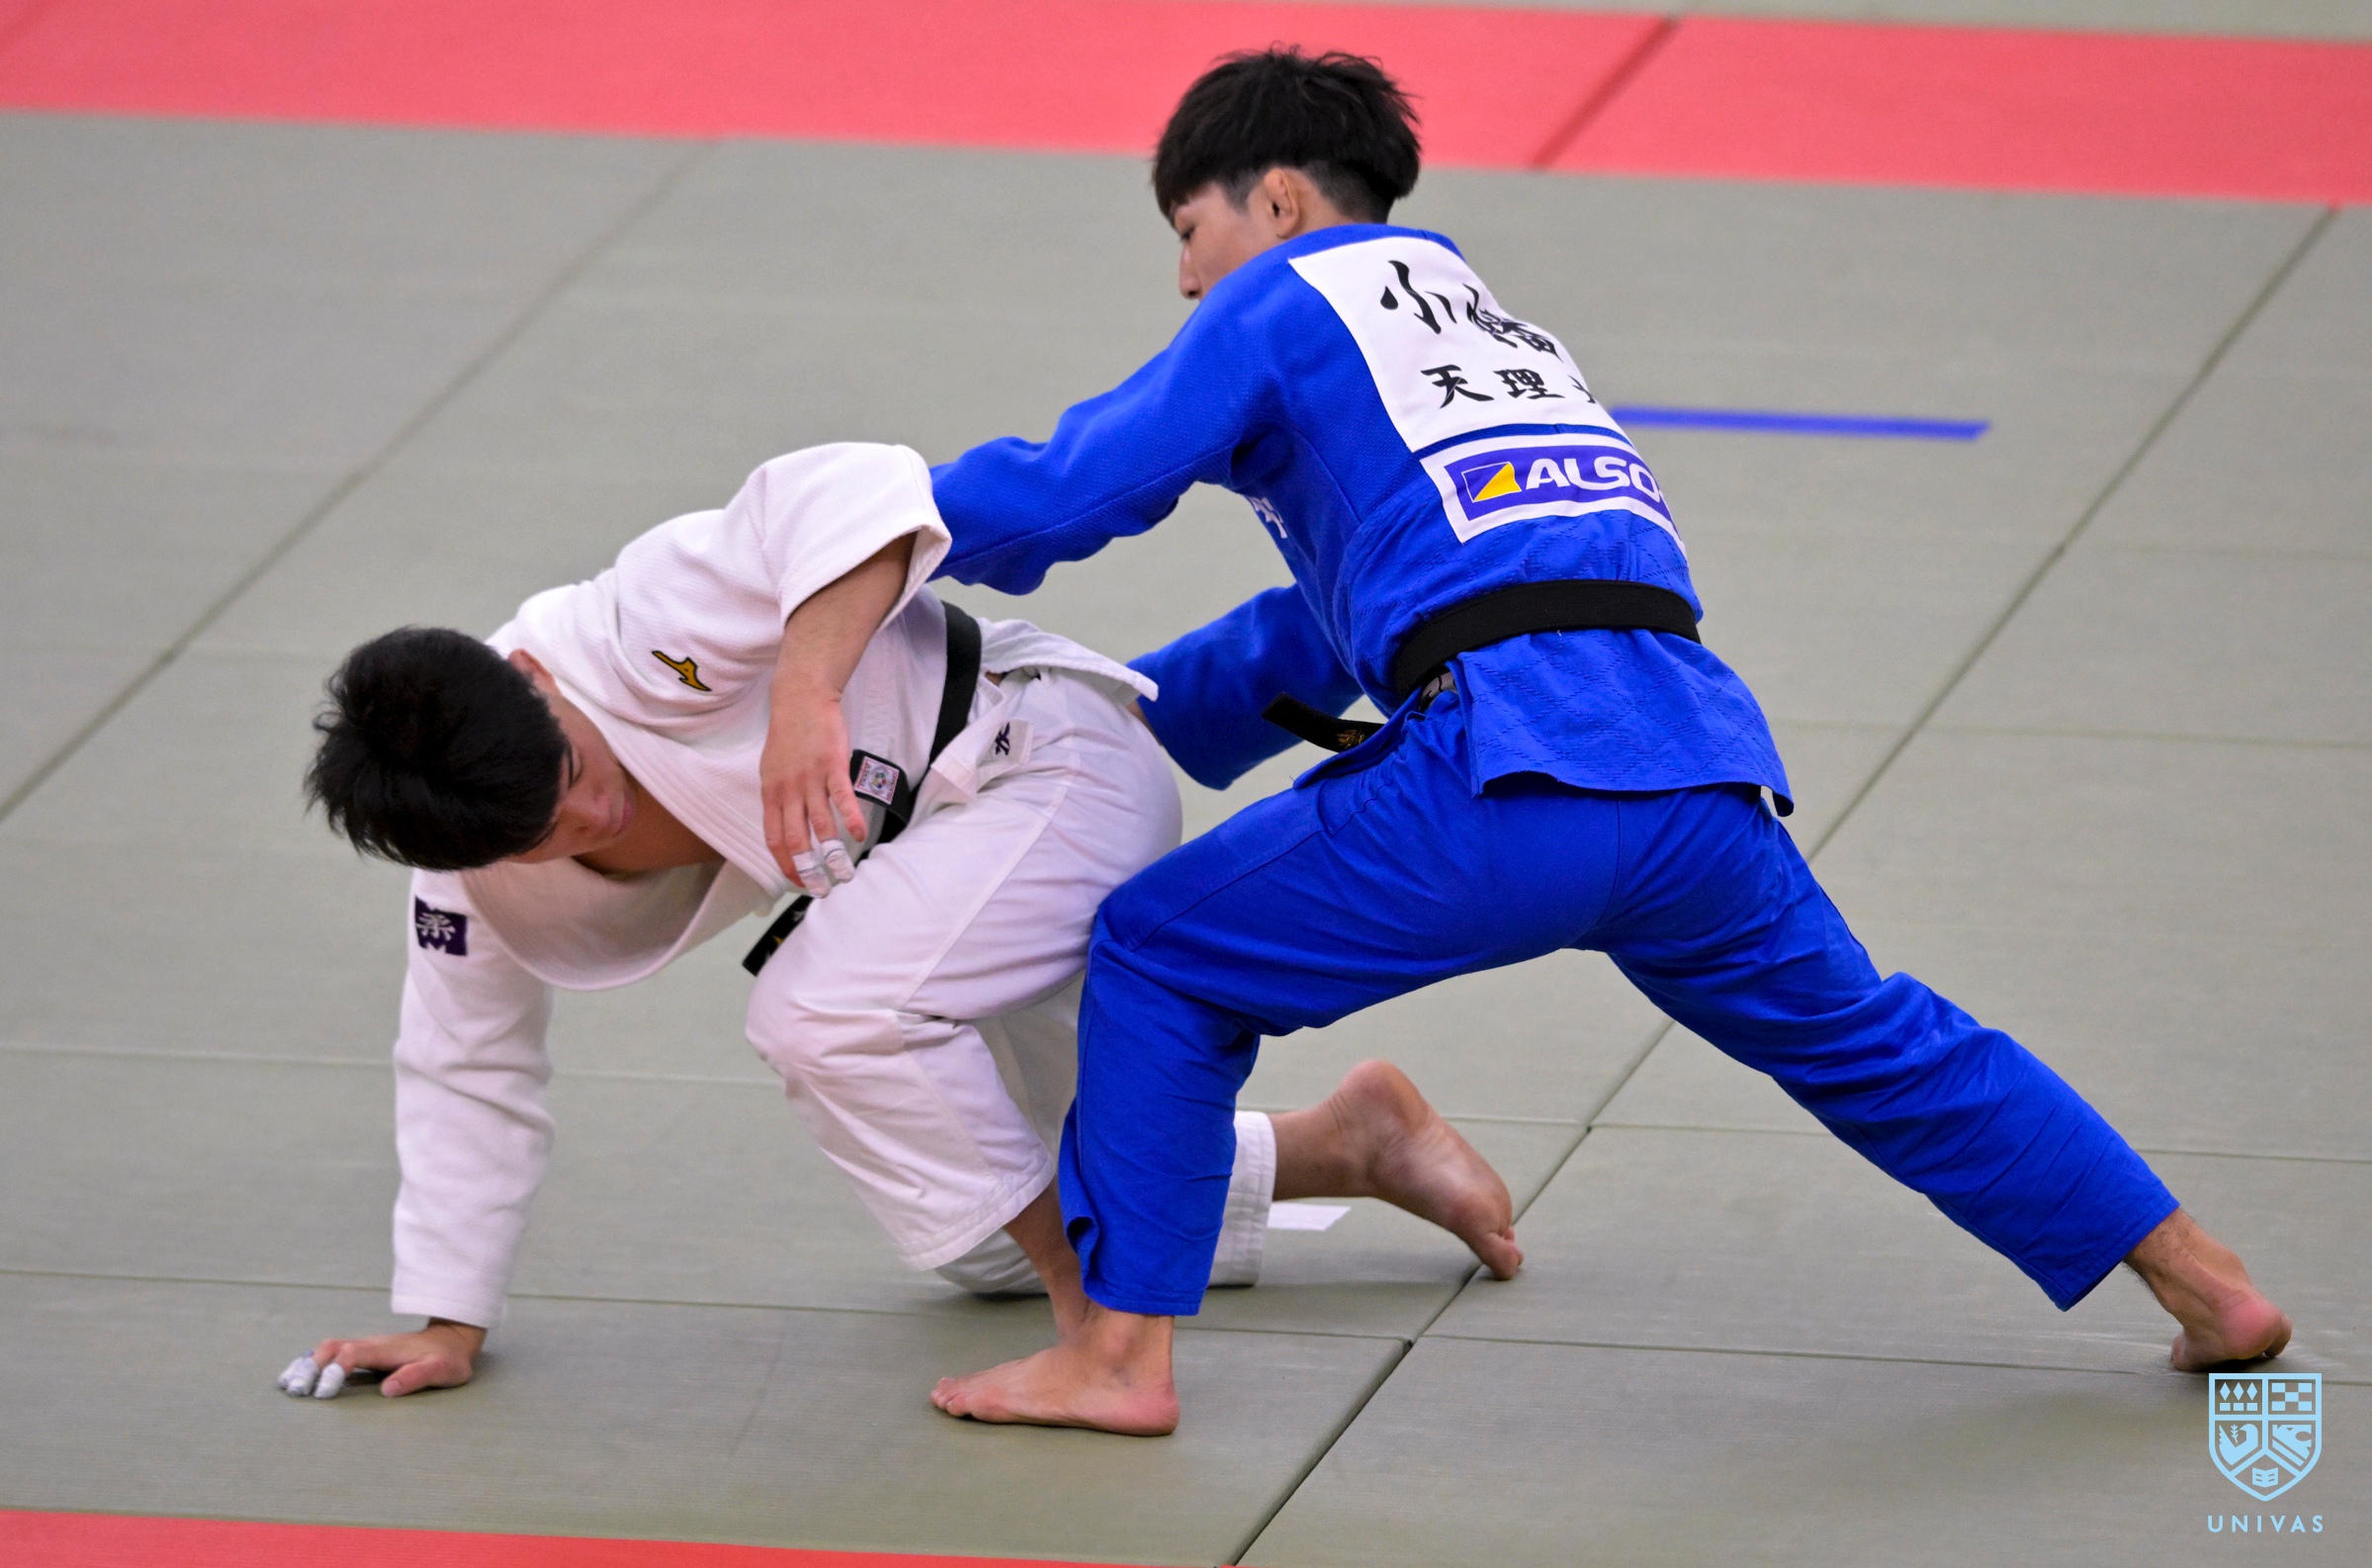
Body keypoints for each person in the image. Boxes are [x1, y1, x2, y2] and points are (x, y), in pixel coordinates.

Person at [921, 50, 2292, 1436]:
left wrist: (852, 529)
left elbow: (1070, 487)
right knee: (1882, 1041)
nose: (1183, 281)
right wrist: (1117, 711)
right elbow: (1329, 626)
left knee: (1157, 954)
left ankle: (1117, 1358)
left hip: (1503, 777)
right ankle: (2205, 1283)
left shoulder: (1284, 298)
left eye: (1188, 231)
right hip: (1693, 780)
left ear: (1275, 200)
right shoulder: (1501, 347)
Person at [280, 441, 1521, 1401]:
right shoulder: (470, 864)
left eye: (569, 772)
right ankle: (1349, 1141)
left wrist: (803, 693)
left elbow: (858, 486)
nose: (591, 815)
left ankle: (1098, 1336)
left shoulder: (644, 621)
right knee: (986, 1230)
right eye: (545, 834)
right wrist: (448, 1317)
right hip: (936, 888)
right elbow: (463, 1064)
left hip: (1044, 770)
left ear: (531, 678)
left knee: (822, 1012)